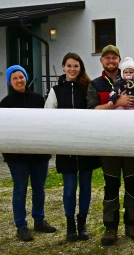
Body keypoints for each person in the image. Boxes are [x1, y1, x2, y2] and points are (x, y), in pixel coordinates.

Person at [87, 45, 134, 246]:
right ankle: (110, 227)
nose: (111, 61)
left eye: (114, 58)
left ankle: (131, 224)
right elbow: (91, 110)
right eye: (107, 58)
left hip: (131, 142)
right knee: (111, 185)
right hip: (108, 143)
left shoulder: (133, 82)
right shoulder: (96, 84)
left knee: (131, 184)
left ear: (119, 60)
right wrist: (116, 101)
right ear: (102, 61)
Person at [44, 53, 100, 241]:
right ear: (63, 67)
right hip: (66, 147)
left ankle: (82, 223)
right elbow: (48, 117)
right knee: (69, 188)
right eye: (69, 66)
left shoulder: (88, 88)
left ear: (80, 68)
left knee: (85, 187)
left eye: (76, 66)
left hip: (85, 147)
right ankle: (70, 225)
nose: (72, 69)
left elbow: (94, 113)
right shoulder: (56, 91)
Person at [1, 66, 55, 241]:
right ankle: (21, 225)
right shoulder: (5, 103)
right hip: (17, 157)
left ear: (26, 78)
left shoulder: (38, 99)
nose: (19, 80)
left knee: (39, 188)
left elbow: (47, 124)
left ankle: (39, 220)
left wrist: (47, 148)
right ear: (10, 81)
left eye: (21, 77)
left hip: (39, 154)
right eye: (15, 78)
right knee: (20, 189)